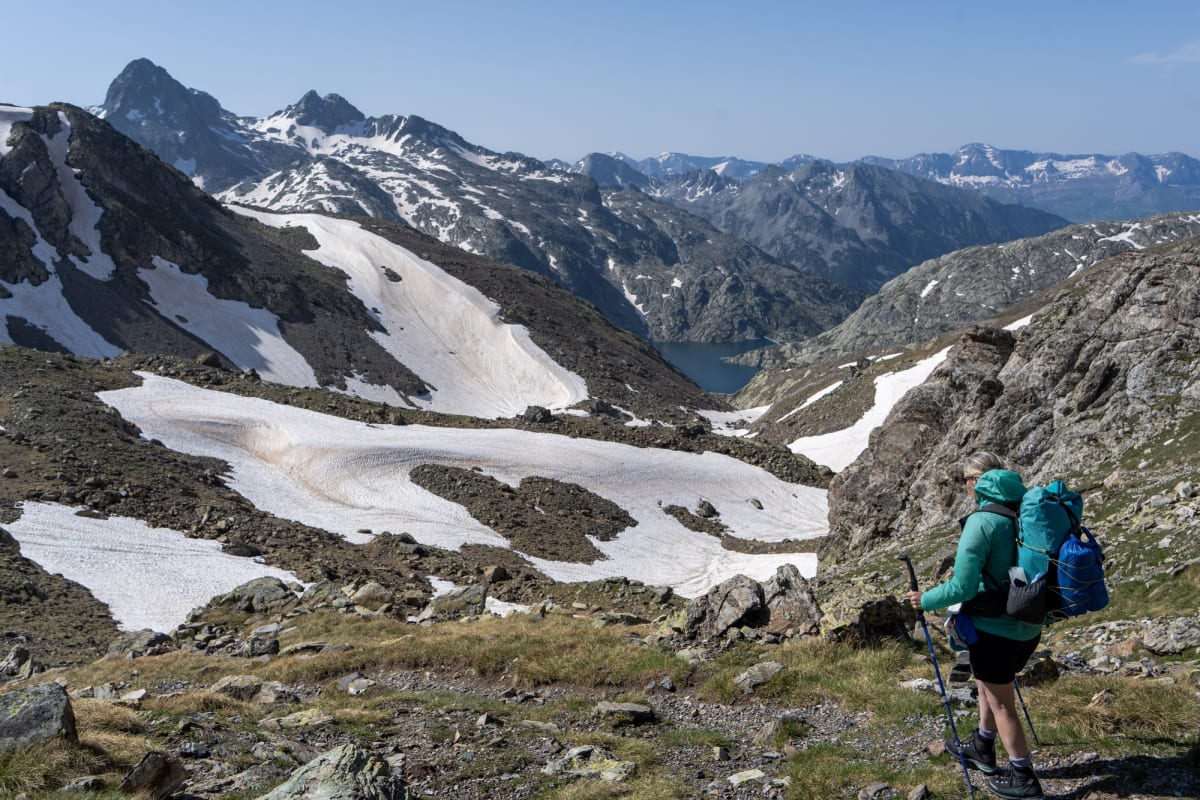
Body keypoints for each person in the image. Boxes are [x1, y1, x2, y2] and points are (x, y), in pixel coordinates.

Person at [907, 451, 1045, 800]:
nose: (965, 486)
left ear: (975, 483)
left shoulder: (981, 521)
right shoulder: (1022, 509)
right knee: (987, 686)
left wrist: (923, 600)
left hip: (994, 628)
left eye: (965, 480)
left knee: (1002, 703)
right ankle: (982, 746)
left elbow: (963, 587)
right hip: (1027, 623)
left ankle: (1023, 776)